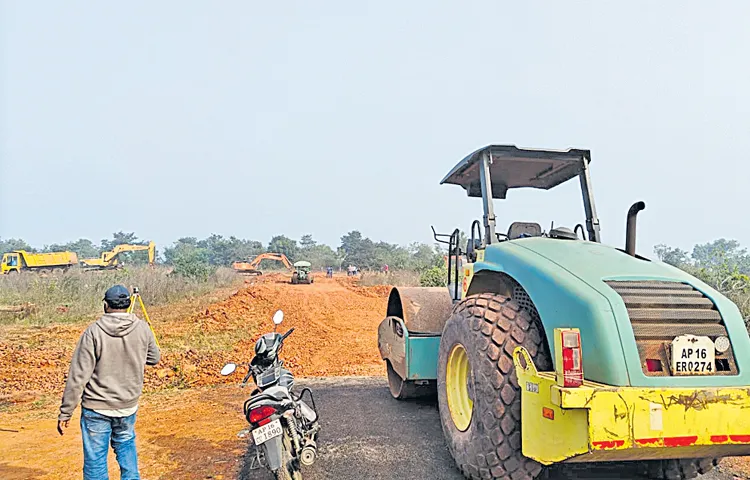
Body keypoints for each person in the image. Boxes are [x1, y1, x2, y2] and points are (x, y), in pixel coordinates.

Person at [58, 284, 160, 480]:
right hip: (127, 406)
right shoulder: (142, 328)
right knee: (126, 446)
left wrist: (66, 412)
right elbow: (154, 358)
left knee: (95, 461)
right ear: (129, 304)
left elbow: (78, 376)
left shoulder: (93, 332)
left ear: (106, 305)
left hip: (96, 409)